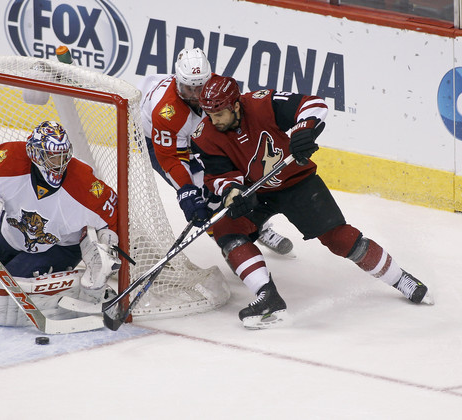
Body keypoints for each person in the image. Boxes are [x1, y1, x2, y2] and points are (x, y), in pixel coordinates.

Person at [191, 75, 433, 329]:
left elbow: (313, 104)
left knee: (339, 239)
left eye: (219, 114)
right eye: (209, 114)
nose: (213, 120)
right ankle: (267, 296)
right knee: (225, 230)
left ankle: (400, 278)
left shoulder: (262, 103)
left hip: (297, 183)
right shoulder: (205, 134)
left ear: (236, 105)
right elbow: (218, 175)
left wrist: (303, 130)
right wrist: (232, 192)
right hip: (256, 192)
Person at [138, 48, 293, 255]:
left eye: (199, 88)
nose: (194, 96)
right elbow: (171, 159)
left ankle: (257, 227)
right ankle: (229, 245)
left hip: (193, 134)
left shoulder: (217, 88)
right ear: (177, 81)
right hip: (155, 138)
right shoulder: (166, 111)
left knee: (231, 181)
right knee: (201, 195)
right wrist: (186, 190)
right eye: (188, 89)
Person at [0, 120, 121, 304]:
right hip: (8, 233)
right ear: (35, 154)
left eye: (64, 156)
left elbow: (115, 218)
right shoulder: (8, 159)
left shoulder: (85, 185)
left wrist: (106, 250)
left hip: (59, 248)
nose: (59, 163)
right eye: (53, 157)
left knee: (6, 291)